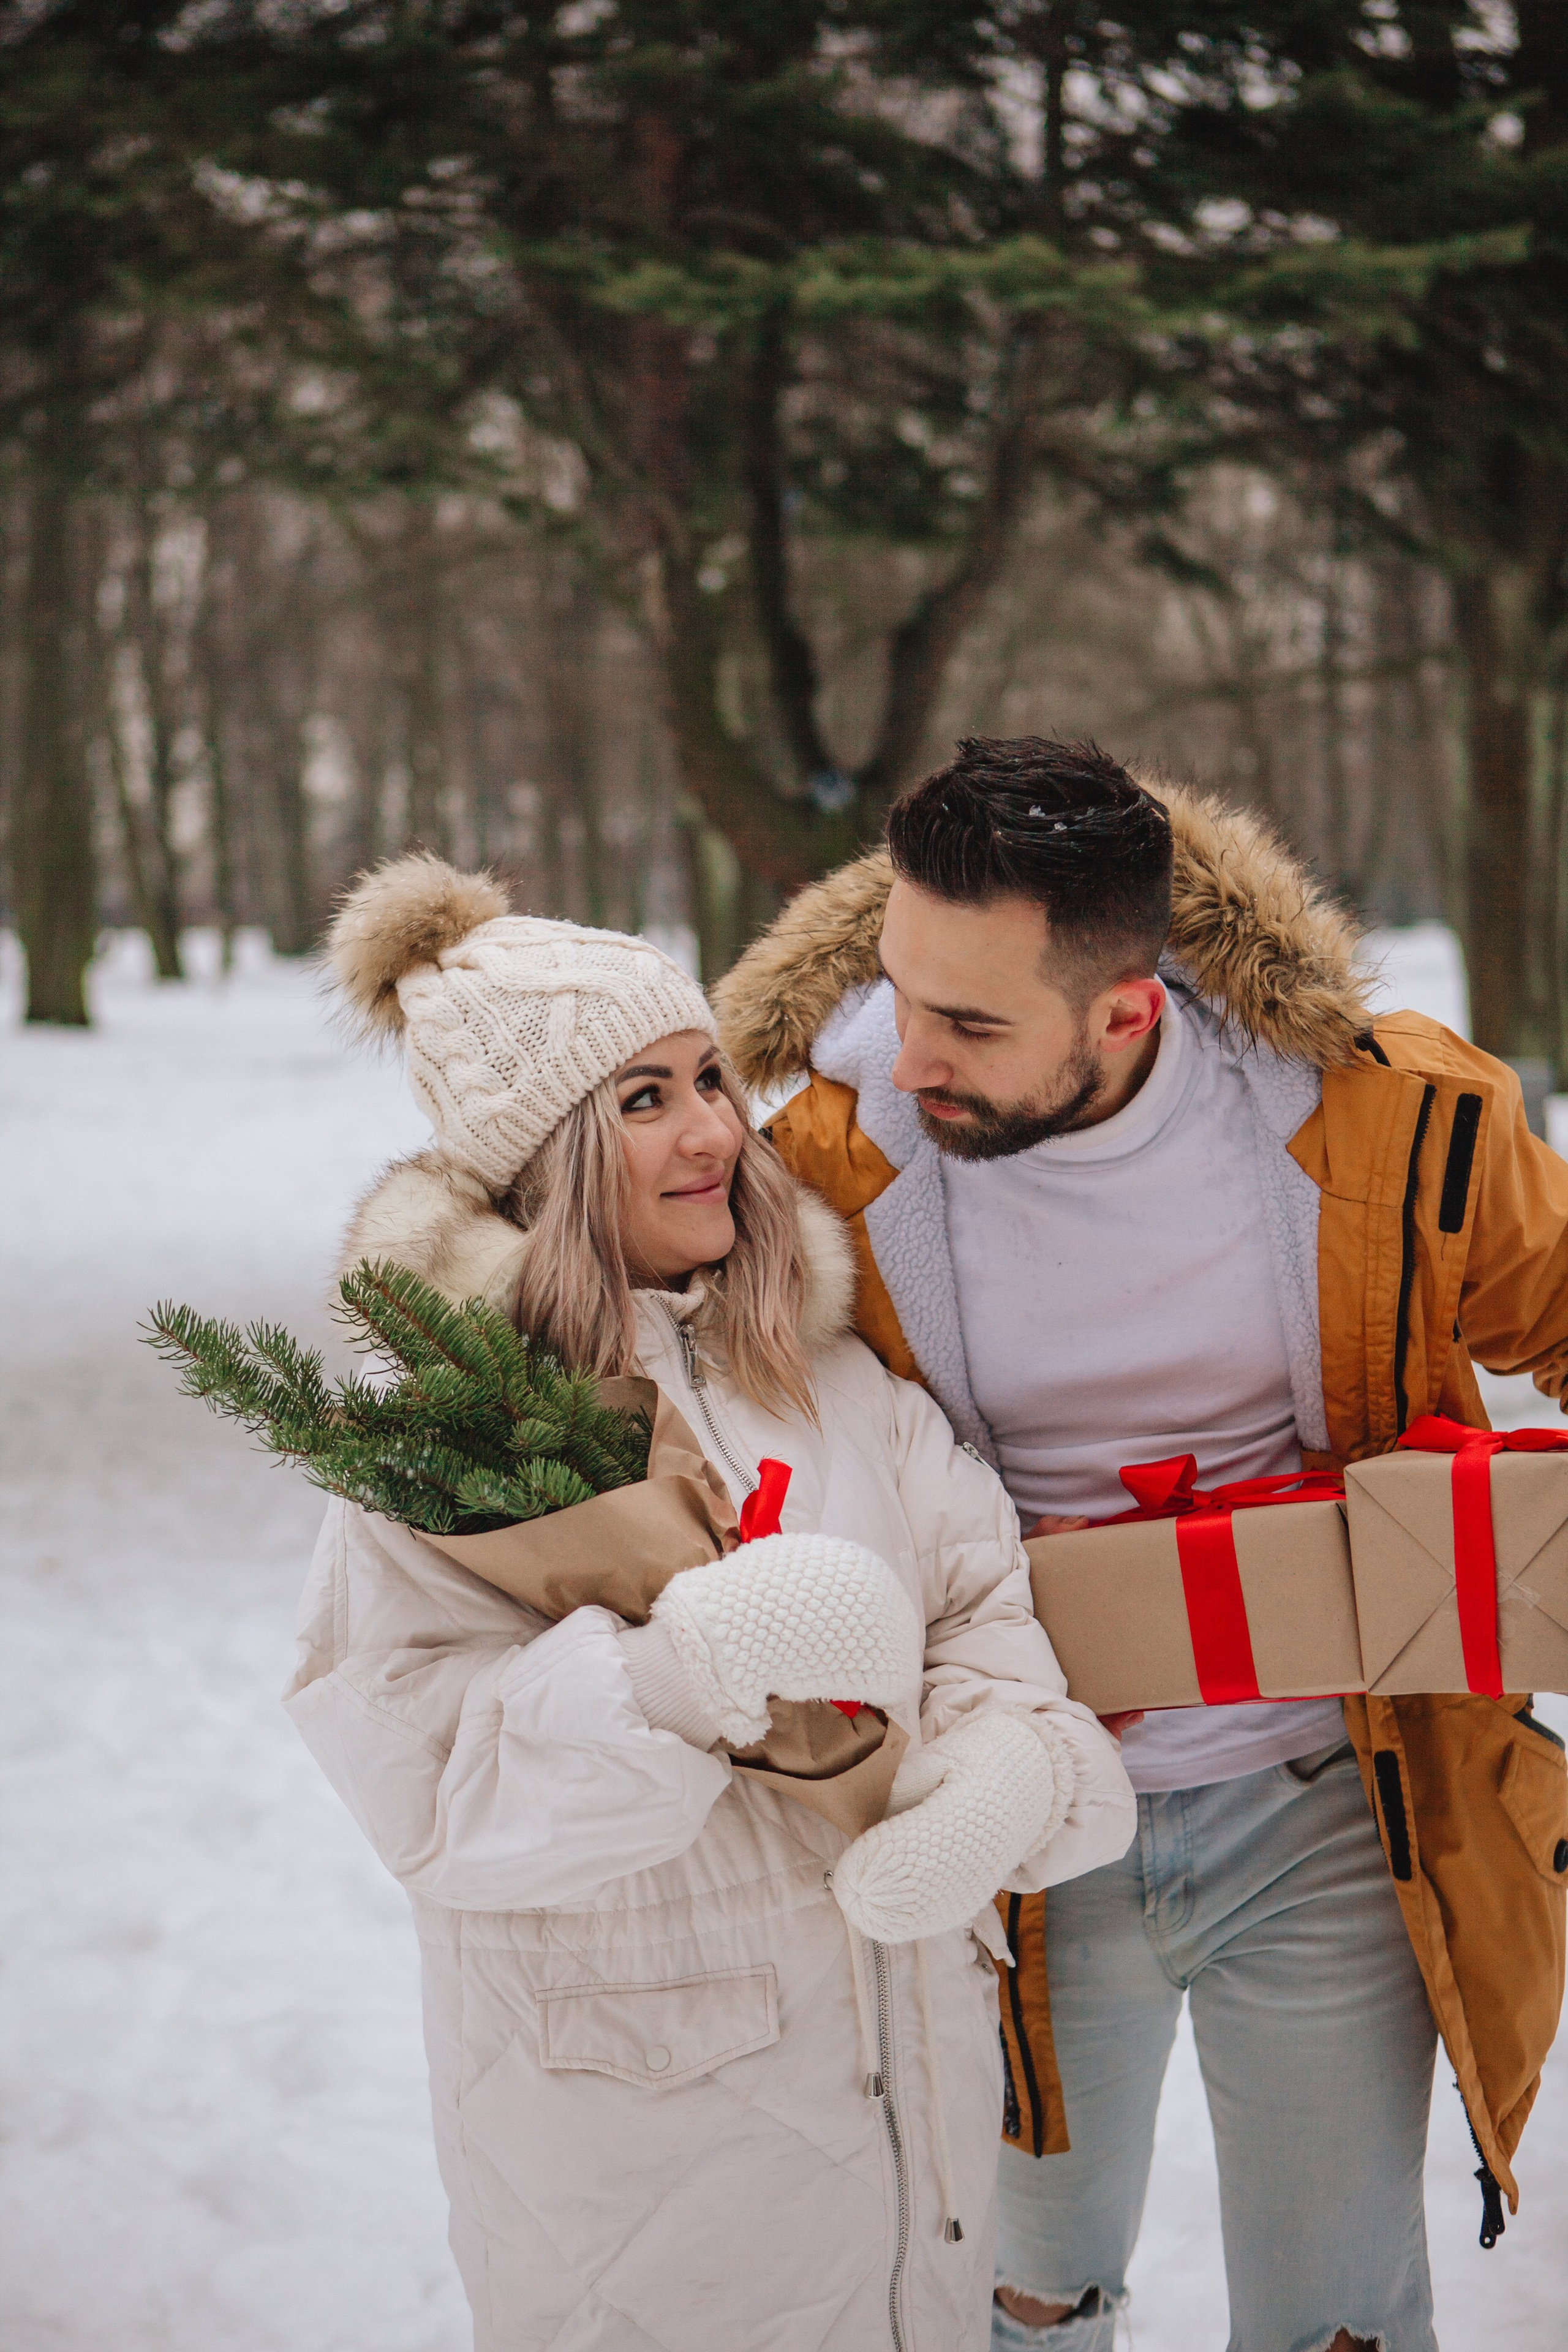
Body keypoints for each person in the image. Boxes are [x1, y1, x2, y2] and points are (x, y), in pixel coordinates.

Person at [715, 737, 1568, 2352]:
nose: (911, 1053)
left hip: (1326, 1801)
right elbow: (698, 1419)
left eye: (971, 1021)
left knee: (1339, 2318)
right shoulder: (832, 1167)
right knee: (1021, 2301)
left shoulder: (1383, 1123)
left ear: (1132, 1005)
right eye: (897, 992)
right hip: (1019, 1833)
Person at [285, 852, 1136, 2352]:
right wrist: (673, 1679)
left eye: (706, 1079)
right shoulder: (441, 1440)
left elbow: (986, 1621)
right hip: (640, 2195)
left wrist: (1011, 1777)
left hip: (914, 2177)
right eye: (641, 1101)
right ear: (537, 1160)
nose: (713, 1133)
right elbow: (431, 1801)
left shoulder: (840, 1385)